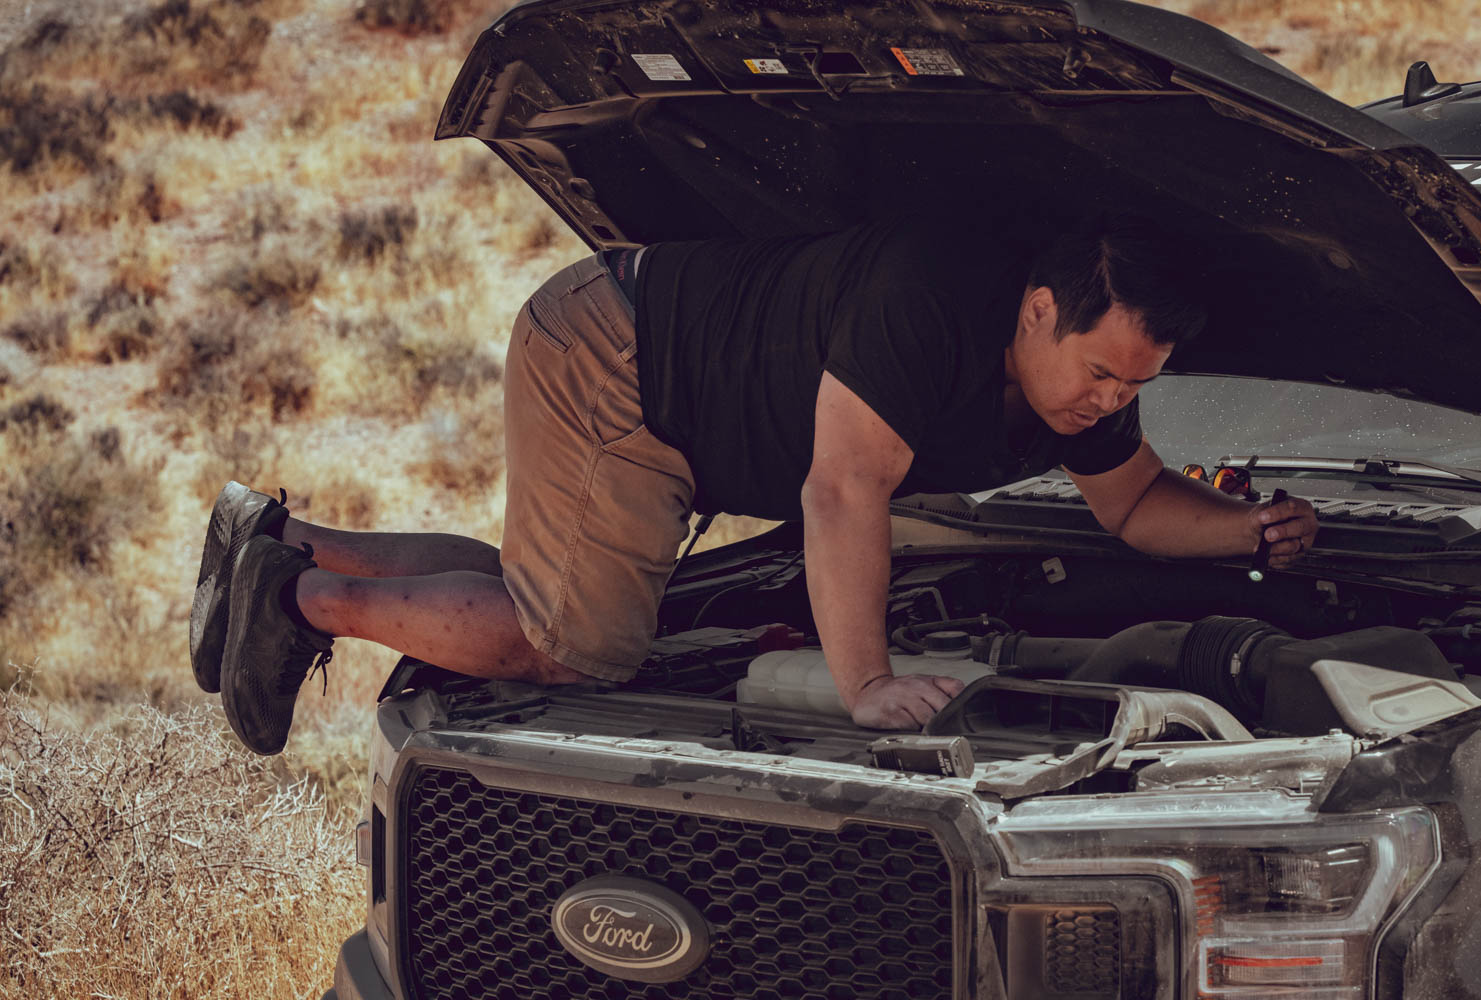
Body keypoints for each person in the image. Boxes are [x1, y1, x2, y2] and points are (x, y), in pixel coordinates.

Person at [189, 213, 1319, 754]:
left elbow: (1132, 506)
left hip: (655, 380)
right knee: (573, 646)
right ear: (1038, 311)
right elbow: (842, 491)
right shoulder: (932, 296)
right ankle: (294, 598)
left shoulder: (1083, 393)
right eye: (1101, 371)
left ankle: (278, 536)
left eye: (1136, 384)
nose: (1111, 400)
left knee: (550, 599)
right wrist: (866, 682)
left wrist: (1248, 530)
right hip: (620, 359)